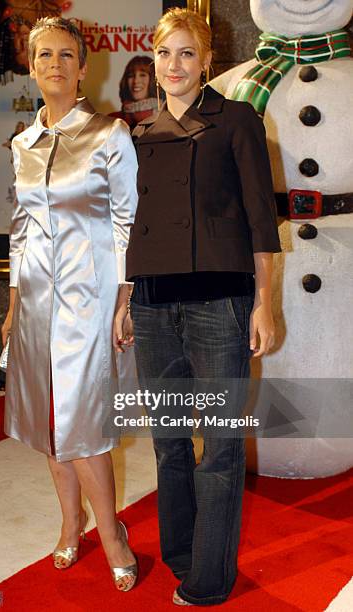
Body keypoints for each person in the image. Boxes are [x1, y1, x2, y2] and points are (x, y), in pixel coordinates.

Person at [125, 8, 281, 606]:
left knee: (217, 446)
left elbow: (261, 223)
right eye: (165, 54)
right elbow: (130, 228)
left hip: (221, 301)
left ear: (206, 61)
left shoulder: (237, 119)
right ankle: (182, 552)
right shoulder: (139, 134)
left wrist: (264, 304)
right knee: (168, 441)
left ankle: (211, 580)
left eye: (187, 53)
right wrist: (125, 301)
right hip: (154, 304)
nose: (174, 66)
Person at [1, 17, 138, 591]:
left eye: (65, 55)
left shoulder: (110, 134)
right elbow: (21, 229)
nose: (54, 64)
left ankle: (110, 533)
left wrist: (124, 300)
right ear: (32, 67)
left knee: (82, 426)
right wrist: (12, 303)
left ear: (83, 68)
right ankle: (68, 523)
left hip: (89, 301)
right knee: (48, 426)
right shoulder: (22, 144)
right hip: (34, 301)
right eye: (43, 55)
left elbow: (128, 221)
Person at [109, 56, 158, 130]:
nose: (136, 81)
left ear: (153, 80)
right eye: (131, 76)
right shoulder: (113, 120)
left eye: (142, 75)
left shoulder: (165, 117)